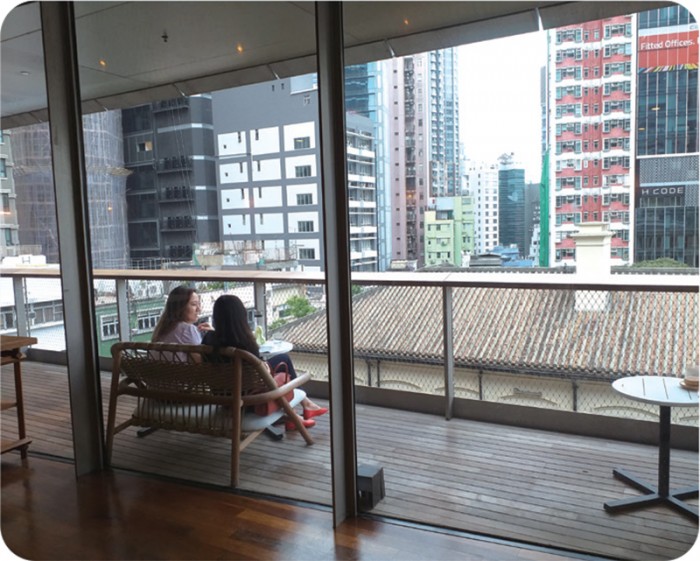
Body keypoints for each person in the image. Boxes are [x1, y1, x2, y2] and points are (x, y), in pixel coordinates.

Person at [202, 294, 328, 429]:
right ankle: (302, 408)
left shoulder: (208, 340)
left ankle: (298, 412)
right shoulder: (245, 344)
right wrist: (266, 367)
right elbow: (258, 377)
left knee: (276, 363)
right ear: (241, 316)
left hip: (224, 400)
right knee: (283, 359)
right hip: (252, 402)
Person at [151, 285, 213, 361]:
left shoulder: (161, 330)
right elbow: (202, 362)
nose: (199, 309)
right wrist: (213, 335)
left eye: (199, 304)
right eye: (194, 304)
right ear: (181, 307)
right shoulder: (187, 329)